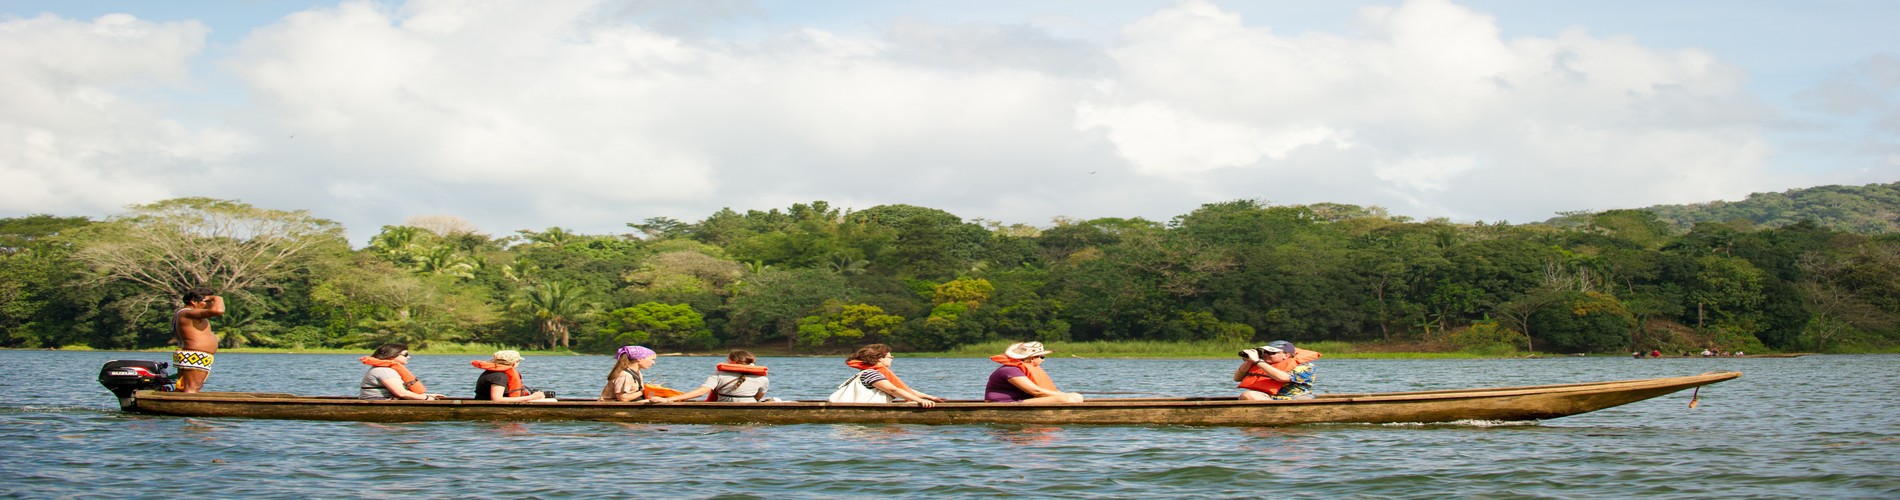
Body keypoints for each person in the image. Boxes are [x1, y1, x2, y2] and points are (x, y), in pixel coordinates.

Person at [827, 344, 939, 407]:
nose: (892, 359)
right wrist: (920, 401)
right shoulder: (870, 373)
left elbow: (903, 389)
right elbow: (893, 390)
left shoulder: (872, 373)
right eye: (890, 357)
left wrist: (929, 397)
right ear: (880, 358)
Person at [651, 350, 774, 403]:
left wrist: (668, 400)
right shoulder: (763, 379)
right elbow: (758, 397)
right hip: (749, 405)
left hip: (724, 406)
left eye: (727, 360)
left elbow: (701, 392)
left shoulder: (719, 374)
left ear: (733, 362)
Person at [984, 342, 1084, 403]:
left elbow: (1046, 389)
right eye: (1042, 357)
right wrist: (1064, 397)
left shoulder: (1024, 368)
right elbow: (1035, 391)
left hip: (1019, 401)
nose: (1043, 360)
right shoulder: (1010, 370)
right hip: (1004, 404)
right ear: (1032, 358)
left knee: (1076, 397)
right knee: (1066, 400)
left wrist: (1067, 394)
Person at [171, 288, 224, 393]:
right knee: (192, 388)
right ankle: (186, 408)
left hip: (192, 355)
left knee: (185, 387)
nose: (210, 305)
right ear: (194, 301)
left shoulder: (184, 313)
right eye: (207, 302)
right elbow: (218, 310)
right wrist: (218, 298)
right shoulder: (187, 313)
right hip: (194, 356)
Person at [1234, 340, 1319, 400]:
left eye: (1271, 353)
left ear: (1286, 355)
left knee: (1303, 400)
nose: (1266, 355)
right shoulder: (1261, 364)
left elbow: (1283, 378)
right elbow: (1237, 378)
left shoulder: (1306, 366)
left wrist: (1257, 361)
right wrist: (1249, 360)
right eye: (1265, 352)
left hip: (1294, 398)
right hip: (1267, 398)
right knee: (1247, 395)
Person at [359, 343, 445, 400]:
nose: (408, 357)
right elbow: (401, 393)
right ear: (392, 355)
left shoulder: (388, 369)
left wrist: (429, 395)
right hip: (377, 402)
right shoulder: (384, 371)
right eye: (405, 355)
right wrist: (426, 398)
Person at [471, 350, 548, 402]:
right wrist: (532, 397)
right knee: (553, 401)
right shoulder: (499, 376)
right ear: (514, 363)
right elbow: (497, 399)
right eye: (518, 361)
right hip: (491, 407)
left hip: (492, 404)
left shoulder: (492, 373)